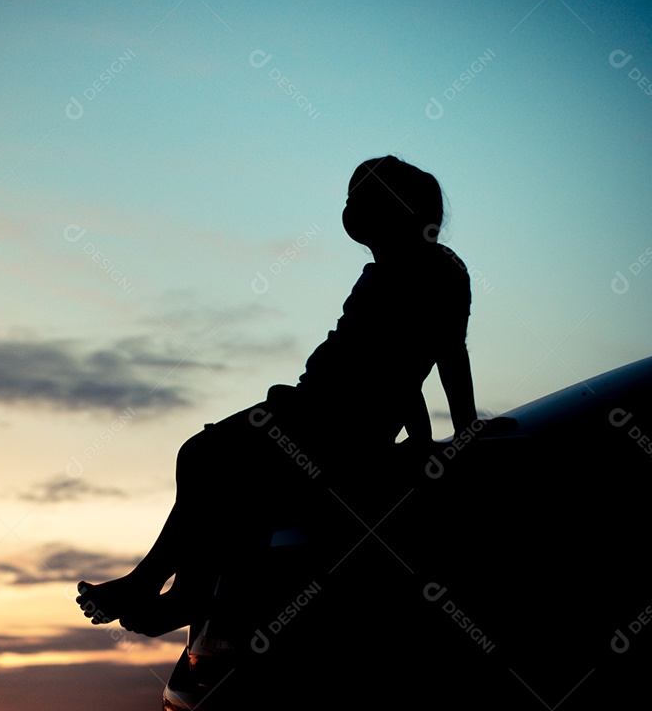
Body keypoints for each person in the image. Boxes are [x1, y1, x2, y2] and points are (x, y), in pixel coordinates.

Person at [76, 155, 477, 636]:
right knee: (207, 464)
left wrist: (465, 427)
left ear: (398, 209)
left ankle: (166, 588)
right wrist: (420, 435)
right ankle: (169, 587)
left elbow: (442, 354)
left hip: (326, 422)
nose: (351, 212)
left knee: (206, 458)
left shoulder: (433, 272)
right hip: (312, 407)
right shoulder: (389, 268)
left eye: (362, 200)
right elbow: (403, 371)